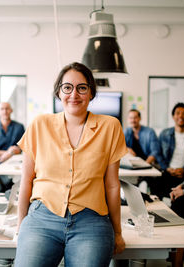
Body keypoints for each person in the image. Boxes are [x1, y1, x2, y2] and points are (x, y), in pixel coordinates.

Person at [14, 62, 127, 267]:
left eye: (82, 88)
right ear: (59, 92)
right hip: (41, 218)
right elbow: (26, 181)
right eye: (67, 87)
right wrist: (21, 225)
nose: (74, 94)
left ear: (91, 92)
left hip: (91, 221)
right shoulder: (40, 125)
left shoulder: (110, 126)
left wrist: (118, 232)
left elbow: (112, 185)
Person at [153, 103, 184, 199]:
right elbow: (158, 153)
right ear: (173, 116)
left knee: (182, 203)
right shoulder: (165, 133)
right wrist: (167, 168)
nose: (181, 116)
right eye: (178, 113)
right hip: (167, 172)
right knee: (156, 193)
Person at [0, 102, 25, 192]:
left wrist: (12, 152)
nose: (5, 111)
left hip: (16, 163)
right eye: (2, 109)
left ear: (11, 110)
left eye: (7, 108)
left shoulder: (19, 127)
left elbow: (22, 148)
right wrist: (9, 152)